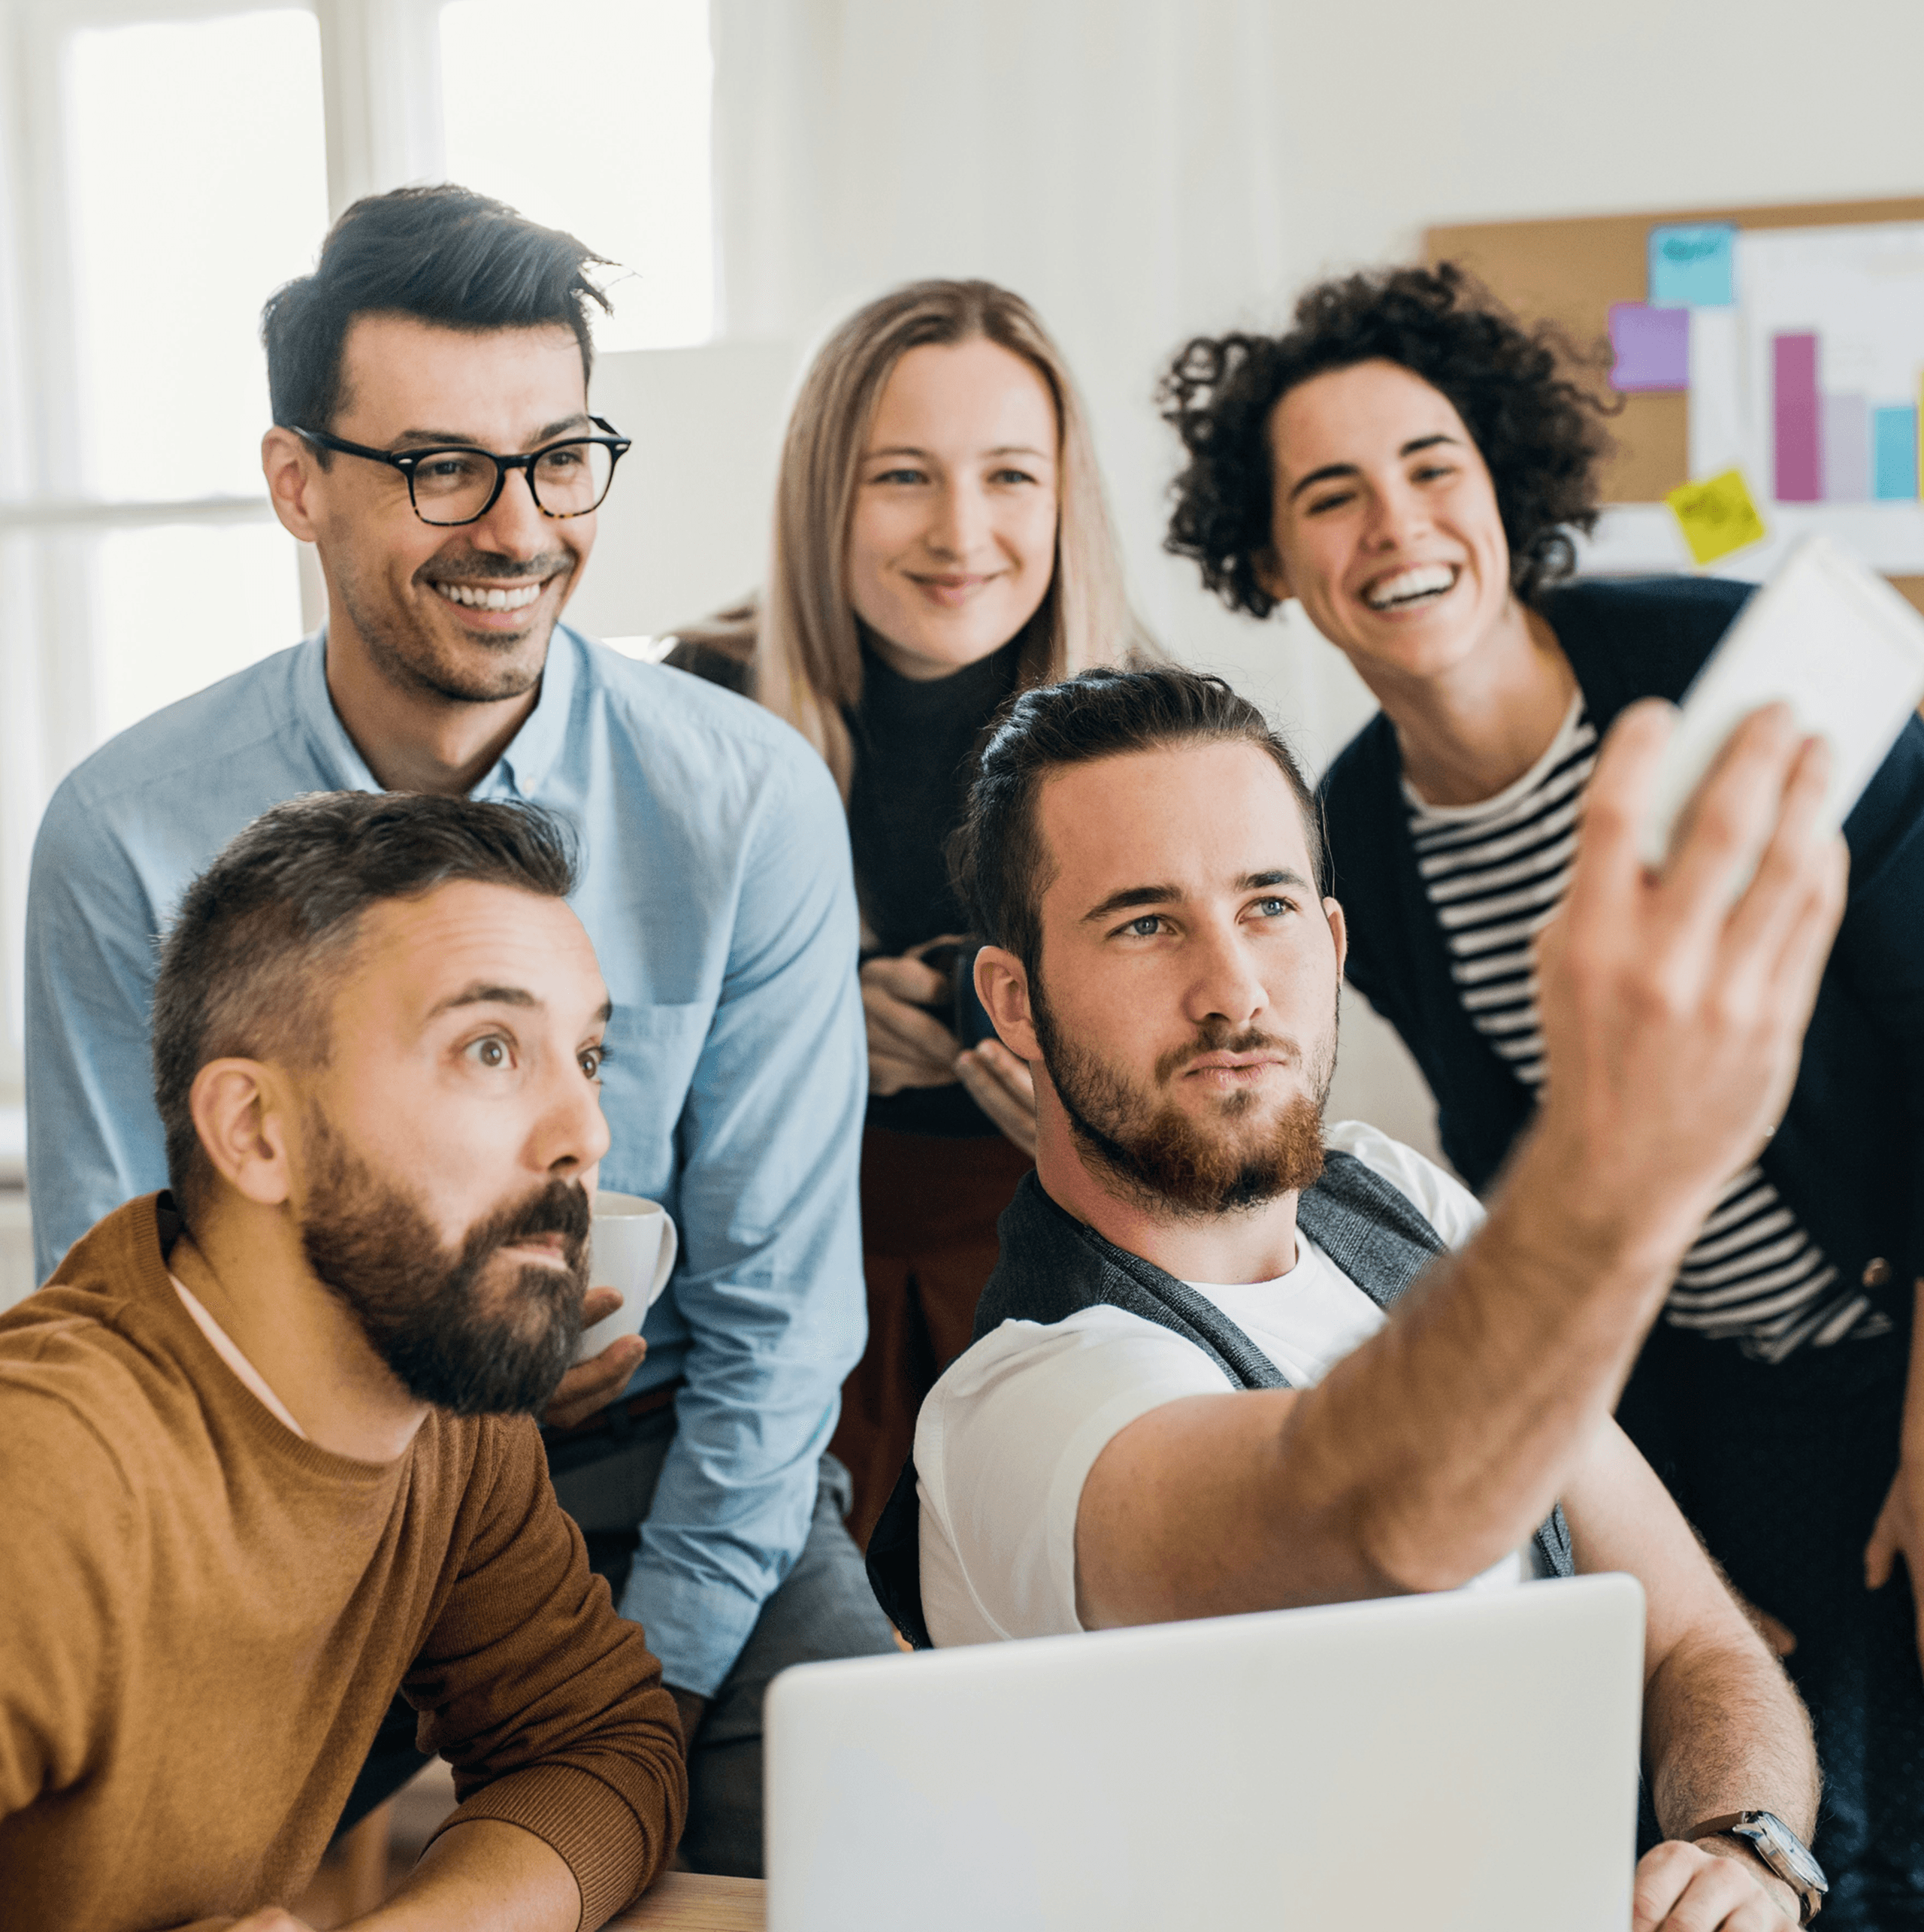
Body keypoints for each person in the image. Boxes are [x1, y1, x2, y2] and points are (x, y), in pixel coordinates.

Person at [23, 183, 894, 1876]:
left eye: (559, 458)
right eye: (439, 469)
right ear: (299, 484)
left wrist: (629, 1702)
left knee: (903, 1852)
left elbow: (779, 1323)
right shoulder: (125, 831)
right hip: (281, 1495)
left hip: (674, 1481)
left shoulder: (745, 799)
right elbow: (116, 1295)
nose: (513, 527)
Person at [1157, 264, 1924, 1925]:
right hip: (1715, 1407)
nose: (1394, 525)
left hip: (1904, 1339)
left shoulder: (1729, 670)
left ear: (1501, 487)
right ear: (1275, 566)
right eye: (1327, 496)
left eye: (1430, 467)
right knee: (1787, 1835)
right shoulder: (1343, 840)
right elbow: (1523, 1169)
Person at [871, 665, 1841, 1930]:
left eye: (1265, 905)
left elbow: (1694, 1639)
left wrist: (1740, 1845)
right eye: (1146, 924)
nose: (1233, 990)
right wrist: (1619, 1160)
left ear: (1328, 944)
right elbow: (1376, 1524)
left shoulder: (1389, 1197)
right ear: (1016, 1002)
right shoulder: (1021, 1407)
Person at [1, 792, 685, 1932]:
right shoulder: (48, 1477)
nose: (586, 1132)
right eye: (489, 1049)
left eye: (588, 1054)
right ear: (258, 1133)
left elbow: (597, 1742)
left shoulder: (441, 1406)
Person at [663, 279, 1133, 1540]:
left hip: (1074, 1272)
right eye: (903, 477)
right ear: (825, 492)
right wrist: (811, 1032)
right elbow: (614, 1053)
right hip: (780, 1271)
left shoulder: (1155, 724)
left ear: (1064, 495)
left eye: (1011, 477)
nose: (961, 531)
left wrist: (1107, 1107)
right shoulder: (696, 706)